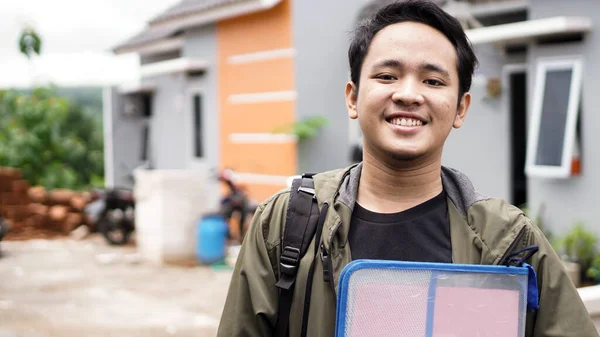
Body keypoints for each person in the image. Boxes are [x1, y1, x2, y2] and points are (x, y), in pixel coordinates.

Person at [217, 1, 599, 336]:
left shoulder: (509, 240)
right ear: (353, 97)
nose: (409, 94)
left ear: (461, 108)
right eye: (387, 76)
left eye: (433, 80)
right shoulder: (286, 226)